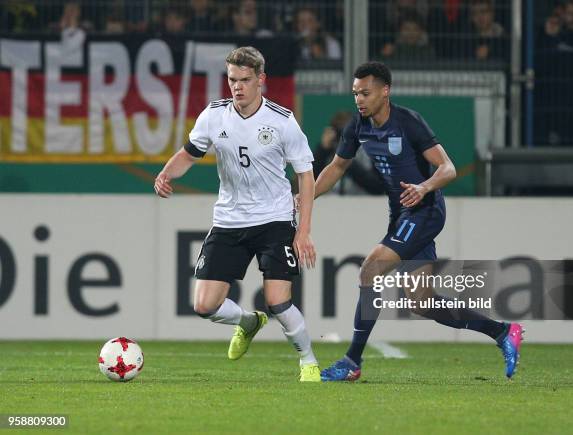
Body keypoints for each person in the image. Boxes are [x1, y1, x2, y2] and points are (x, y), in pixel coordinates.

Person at [311, 61, 523, 381]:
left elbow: (448, 168)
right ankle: (503, 331)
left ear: (385, 91)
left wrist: (424, 187)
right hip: (401, 214)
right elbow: (337, 167)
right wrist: (306, 197)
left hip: (424, 210)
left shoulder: (408, 122)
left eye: (365, 93)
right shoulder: (357, 127)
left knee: (370, 269)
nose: (359, 99)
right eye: (355, 93)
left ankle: (352, 361)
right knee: (422, 302)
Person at [154, 46, 321, 382]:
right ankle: (247, 321)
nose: (238, 87)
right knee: (204, 305)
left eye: (245, 80)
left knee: (277, 300)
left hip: (274, 219)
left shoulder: (282, 121)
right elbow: (190, 153)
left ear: (261, 80)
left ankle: (308, 361)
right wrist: (166, 173)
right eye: (232, 80)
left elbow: (306, 175)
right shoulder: (214, 116)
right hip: (229, 221)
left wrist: (302, 231)